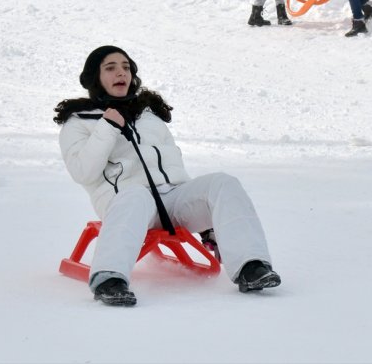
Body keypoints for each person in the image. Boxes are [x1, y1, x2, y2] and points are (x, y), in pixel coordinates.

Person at [54, 45, 280, 306]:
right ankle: (109, 278)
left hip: (172, 199)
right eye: (111, 67)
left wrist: (205, 213)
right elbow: (83, 172)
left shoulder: (148, 115)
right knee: (136, 196)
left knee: (223, 183)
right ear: (95, 77)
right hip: (127, 203)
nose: (121, 73)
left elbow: (172, 163)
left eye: (126, 67)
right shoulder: (79, 122)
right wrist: (107, 127)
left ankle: (251, 267)